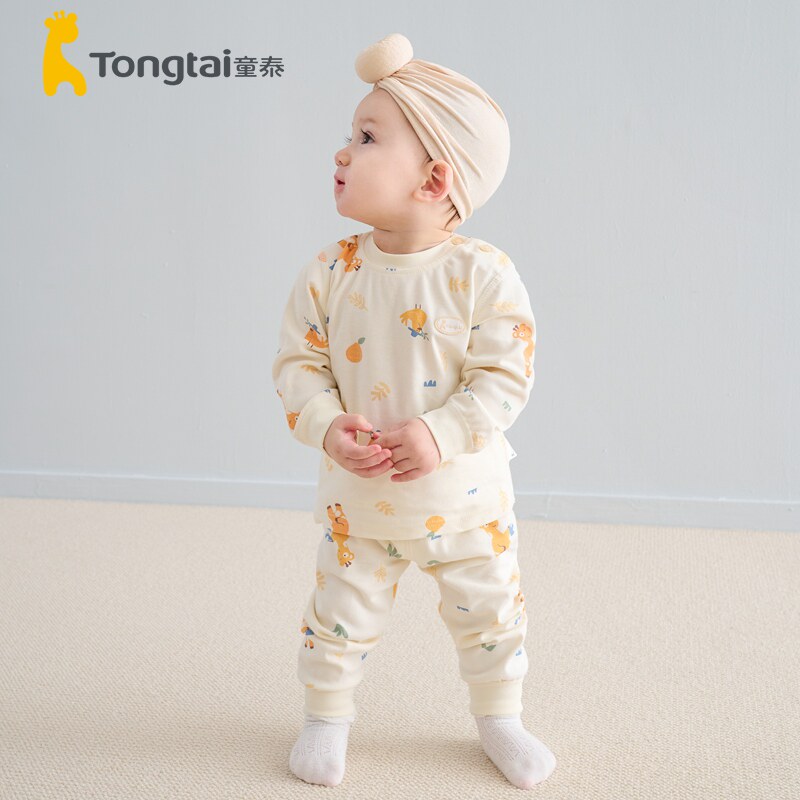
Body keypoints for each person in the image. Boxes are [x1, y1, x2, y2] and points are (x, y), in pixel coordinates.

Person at [271, 33, 556, 790]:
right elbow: (298, 366)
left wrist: (440, 432)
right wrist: (327, 425)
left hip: (466, 501)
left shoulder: (483, 273)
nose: (342, 151)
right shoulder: (330, 272)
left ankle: (501, 717)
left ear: (434, 179)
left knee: (491, 614)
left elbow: (505, 376)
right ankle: (325, 719)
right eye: (350, 134)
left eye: (367, 138)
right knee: (337, 616)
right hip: (358, 502)